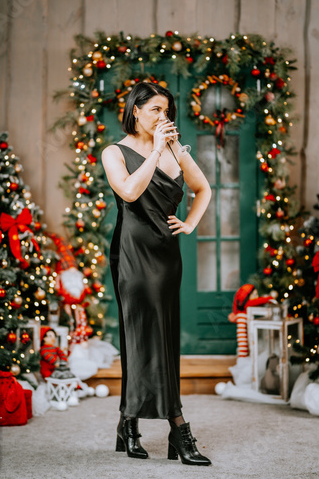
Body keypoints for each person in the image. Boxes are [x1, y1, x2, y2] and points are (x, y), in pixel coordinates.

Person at [101, 82, 212, 466]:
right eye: (155, 110)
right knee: (140, 335)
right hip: (132, 252)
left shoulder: (177, 151)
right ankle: (178, 429)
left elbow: (203, 189)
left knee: (162, 336)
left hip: (166, 255)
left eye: (167, 111)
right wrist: (155, 152)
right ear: (136, 111)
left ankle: (127, 424)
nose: (163, 118)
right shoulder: (113, 152)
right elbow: (130, 192)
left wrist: (191, 223)